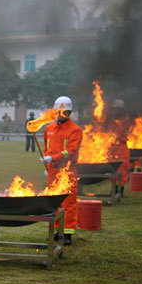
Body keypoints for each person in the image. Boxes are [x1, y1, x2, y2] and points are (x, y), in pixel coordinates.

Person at [40, 96, 82, 245]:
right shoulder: (49, 129)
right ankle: (57, 231)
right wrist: (48, 165)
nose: (63, 115)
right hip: (53, 171)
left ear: (70, 113)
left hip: (67, 170)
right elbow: (46, 148)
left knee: (68, 202)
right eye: (60, 112)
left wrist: (54, 158)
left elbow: (70, 151)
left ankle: (68, 233)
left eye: (66, 112)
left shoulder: (75, 130)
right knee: (53, 202)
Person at [108, 99, 130, 196]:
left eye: (118, 109)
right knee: (111, 168)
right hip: (112, 147)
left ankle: (120, 189)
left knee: (122, 169)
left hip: (121, 146)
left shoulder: (125, 120)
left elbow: (123, 132)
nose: (116, 111)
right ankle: (114, 188)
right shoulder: (110, 121)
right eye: (115, 109)